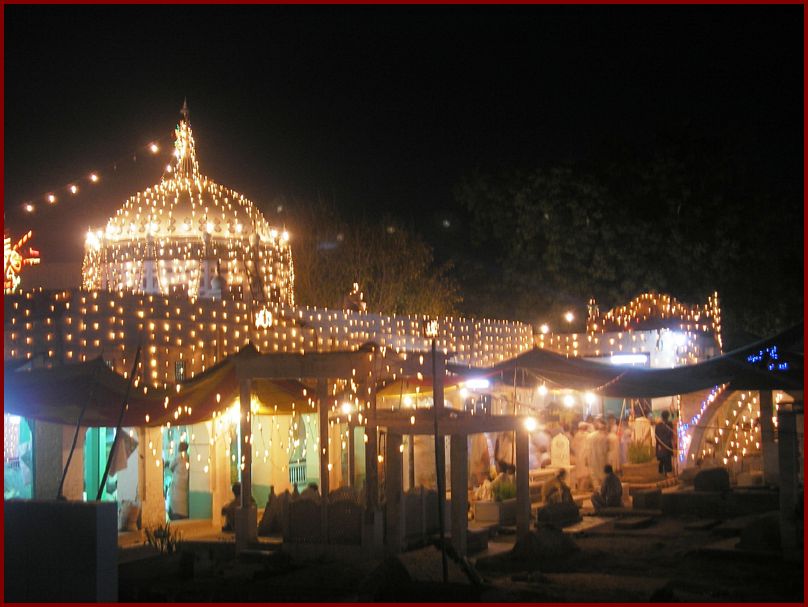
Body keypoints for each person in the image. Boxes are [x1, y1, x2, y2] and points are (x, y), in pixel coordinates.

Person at [167, 441, 189, 520]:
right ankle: (182, 515)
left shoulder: (178, 456)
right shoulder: (188, 457)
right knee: (182, 501)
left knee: (175, 500)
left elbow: (170, 466)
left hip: (177, 481)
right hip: (185, 481)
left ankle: (175, 515)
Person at [655, 410, 676, 477]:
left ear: (661, 416)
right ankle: (668, 476)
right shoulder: (669, 424)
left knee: (661, 462)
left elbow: (656, 436)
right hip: (667, 446)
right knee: (668, 462)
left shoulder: (658, 426)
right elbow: (671, 435)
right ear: (668, 416)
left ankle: (660, 475)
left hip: (660, 446)